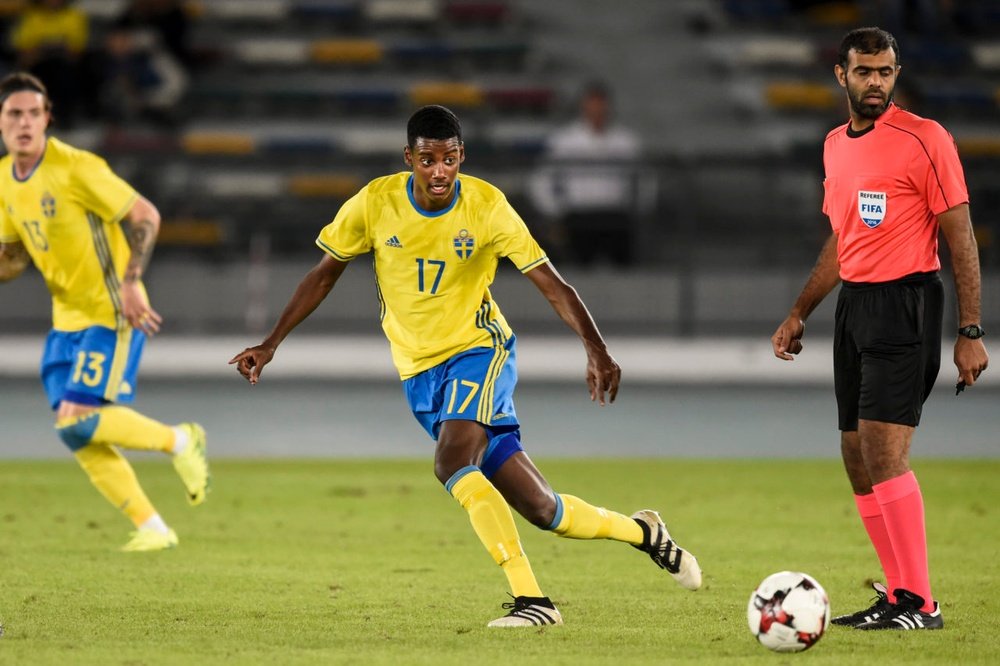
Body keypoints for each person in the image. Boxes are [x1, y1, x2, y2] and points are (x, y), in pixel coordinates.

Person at [230, 104, 701, 627]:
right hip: (418, 372)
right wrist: (272, 342)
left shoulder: (487, 207)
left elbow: (552, 284)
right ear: (409, 158)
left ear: (461, 157)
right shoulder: (375, 203)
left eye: (449, 159)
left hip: (479, 350)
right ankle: (645, 532)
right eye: (428, 159)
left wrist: (596, 347)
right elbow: (323, 274)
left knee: (452, 462)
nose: (439, 171)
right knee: (546, 511)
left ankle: (534, 603)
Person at [770, 27, 988, 631]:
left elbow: (961, 237)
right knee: (855, 454)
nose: (876, 82)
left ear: (896, 74)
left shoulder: (925, 139)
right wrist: (799, 312)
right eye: (864, 72)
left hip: (907, 303)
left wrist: (970, 329)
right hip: (855, 308)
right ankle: (897, 594)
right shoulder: (836, 145)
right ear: (841, 75)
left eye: (886, 72)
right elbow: (842, 241)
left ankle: (921, 603)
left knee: (885, 452)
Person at [0, 72, 210, 552]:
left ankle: (180, 440)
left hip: (111, 312)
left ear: (48, 118)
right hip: (65, 319)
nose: (25, 122)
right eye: (15, 113)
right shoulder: (3, 182)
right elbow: (12, 257)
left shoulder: (76, 167)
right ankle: (153, 527)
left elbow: (145, 215)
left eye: (35, 113)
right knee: (74, 434)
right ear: (1, 122)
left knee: (77, 418)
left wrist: (131, 281)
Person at [528, 81, 653, 267]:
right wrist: (554, 211)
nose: (597, 113)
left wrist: (639, 209)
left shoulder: (626, 142)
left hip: (616, 218)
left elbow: (645, 179)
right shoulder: (565, 141)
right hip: (578, 218)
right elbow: (540, 179)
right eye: (592, 107)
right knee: (578, 276)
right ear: (583, 107)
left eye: (601, 107)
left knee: (625, 275)